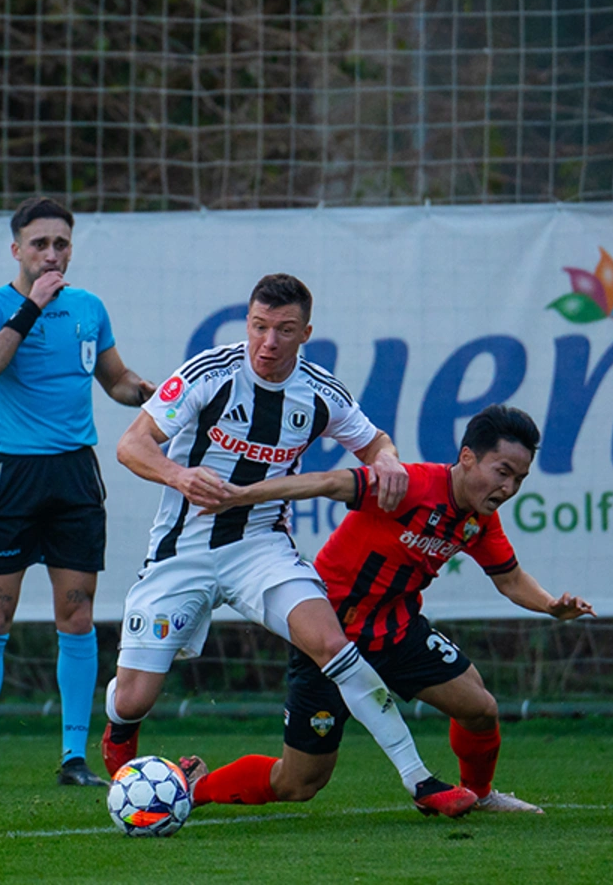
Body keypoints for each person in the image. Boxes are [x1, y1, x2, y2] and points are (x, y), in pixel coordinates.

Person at [100, 273, 477, 818]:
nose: (268, 342)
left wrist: (388, 461)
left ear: (306, 334)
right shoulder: (209, 373)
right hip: (183, 550)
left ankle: (421, 781)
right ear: (247, 323)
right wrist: (180, 476)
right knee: (135, 698)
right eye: (259, 327)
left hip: (260, 548)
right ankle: (120, 728)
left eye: (284, 330)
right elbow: (131, 445)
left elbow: (374, 442)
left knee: (332, 643)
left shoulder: (319, 392)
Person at [180, 404, 595, 813]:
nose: (508, 488)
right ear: (468, 457)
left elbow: (510, 579)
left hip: (397, 632)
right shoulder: (409, 485)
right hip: (329, 637)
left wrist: (550, 605)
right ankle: (194, 788)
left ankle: (479, 795)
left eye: (519, 479)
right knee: (298, 782)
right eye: (502, 472)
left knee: (480, 709)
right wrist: (241, 496)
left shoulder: (478, 520)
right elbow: (326, 482)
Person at [0, 196, 155, 789]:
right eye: (39, 244)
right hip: (11, 476)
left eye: (60, 243)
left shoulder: (89, 308)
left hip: (73, 476)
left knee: (77, 612)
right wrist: (31, 307)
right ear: (16, 249)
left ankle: (73, 758)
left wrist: (147, 393)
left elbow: (115, 380)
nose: (51, 254)